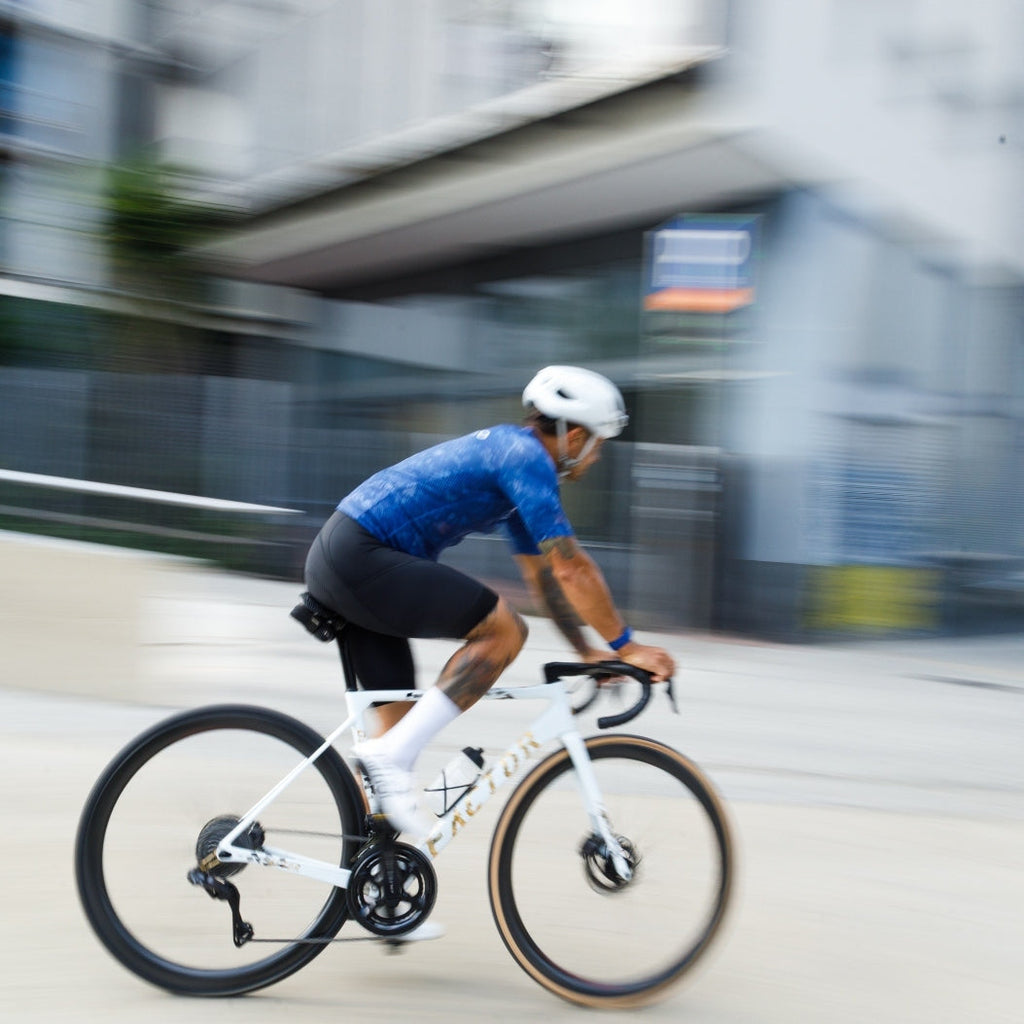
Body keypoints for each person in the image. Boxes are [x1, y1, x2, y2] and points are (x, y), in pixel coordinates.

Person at [303, 365, 676, 840]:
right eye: (599, 444)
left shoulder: (513, 468)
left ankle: (379, 890)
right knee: (504, 630)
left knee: (395, 751)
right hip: (361, 558)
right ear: (576, 435)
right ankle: (389, 758)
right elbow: (572, 568)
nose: (597, 456)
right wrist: (625, 645)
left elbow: (544, 579)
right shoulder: (524, 457)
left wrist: (586, 652)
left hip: (353, 559)